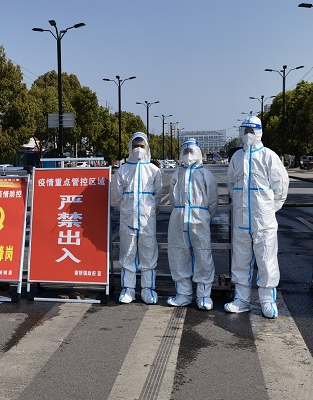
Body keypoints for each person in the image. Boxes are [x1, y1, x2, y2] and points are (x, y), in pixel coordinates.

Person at [225, 116, 289, 318]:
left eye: (251, 131)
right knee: (240, 261)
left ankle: (267, 301)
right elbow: (231, 185)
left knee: (266, 261)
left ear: (259, 132)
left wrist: (268, 210)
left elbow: (281, 188)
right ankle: (241, 300)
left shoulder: (269, 156)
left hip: (264, 222)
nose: (248, 135)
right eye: (245, 131)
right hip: (241, 221)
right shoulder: (237, 158)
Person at [167, 138, 218, 310]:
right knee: (178, 255)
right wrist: (180, 211)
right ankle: (183, 294)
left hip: (199, 218)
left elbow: (213, 201)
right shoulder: (177, 174)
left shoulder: (205, 174)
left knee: (203, 256)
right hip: (179, 217)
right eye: (185, 151)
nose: (188, 155)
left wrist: (203, 215)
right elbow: (173, 197)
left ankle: (204, 295)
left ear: (198, 153)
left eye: (191, 151)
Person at [113, 132, 162, 304]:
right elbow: (117, 196)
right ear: (130, 147)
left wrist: (149, 210)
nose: (138, 149)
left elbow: (158, 195)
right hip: (128, 219)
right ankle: (128, 289)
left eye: (141, 146)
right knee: (127, 253)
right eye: (135, 146)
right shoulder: (123, 170)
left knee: (148, 253)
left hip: (147, 220)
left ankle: (148, 289)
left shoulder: (154, 170)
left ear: (147, 147)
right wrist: (127, 208)